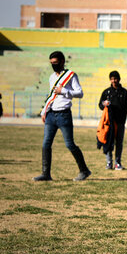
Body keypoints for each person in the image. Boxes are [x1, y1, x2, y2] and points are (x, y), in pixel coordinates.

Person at [33, 51, 91, 182]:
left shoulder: (71, 75)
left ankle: (84, 170)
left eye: (55, 63)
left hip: (64, 114)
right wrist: (44, 111)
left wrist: (63, 91)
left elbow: (80, 93)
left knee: (70, 144)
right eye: (51, 63)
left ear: (62, 62)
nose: (53, 65)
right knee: (45, 144)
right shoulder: (51, 77)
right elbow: (51, 96)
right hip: (51, 114)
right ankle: (45, 173)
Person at [98, 70, 127, 170]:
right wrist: (103, 104)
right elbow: (100, 105)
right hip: (109, 123)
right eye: (112, 79)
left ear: (119, 79)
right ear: (110, 80)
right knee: (108, 142)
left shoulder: (125, 93)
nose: (114, 81)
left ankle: (117, 163)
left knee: (119, 143)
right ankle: (109, 163)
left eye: (115, 79)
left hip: (120, 122)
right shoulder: (106, 92)